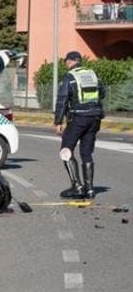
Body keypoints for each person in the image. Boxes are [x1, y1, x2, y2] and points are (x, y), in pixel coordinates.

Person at [54, 51, 105, 199]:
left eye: (66, 62)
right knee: (86, 153)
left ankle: (77, 186)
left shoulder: (70, 77)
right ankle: (89, 189)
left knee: (66, 150)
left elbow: (62, 100)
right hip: (95, 118)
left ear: (69, 62)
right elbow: (102, 93)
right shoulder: (93, 74)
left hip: (78, 118)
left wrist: (58, 122)